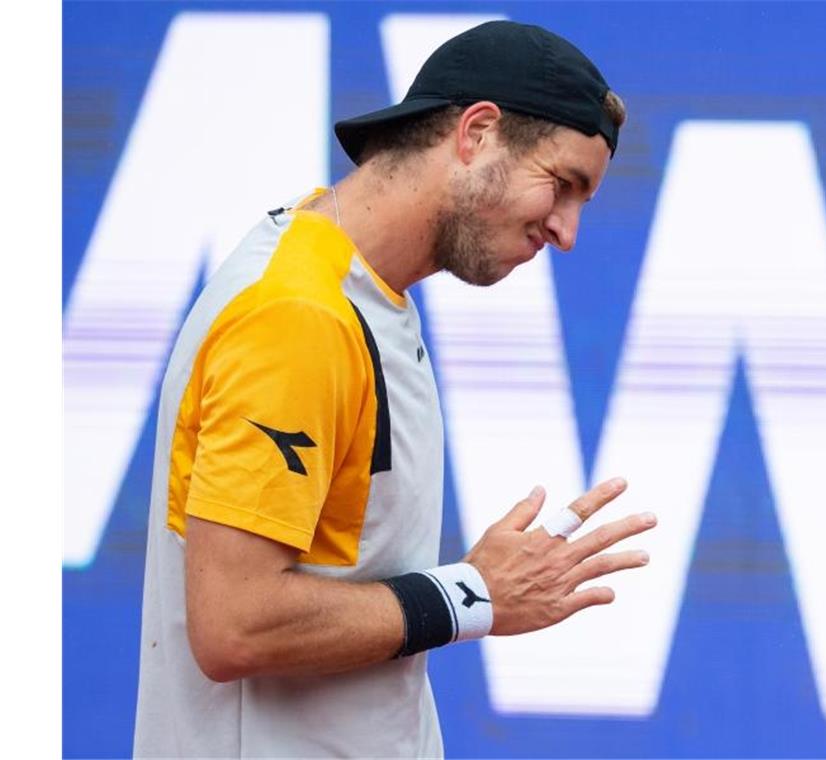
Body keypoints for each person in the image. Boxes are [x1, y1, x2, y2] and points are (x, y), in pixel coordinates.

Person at [132, 19, 655, 758]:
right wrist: (473, 595)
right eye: (562, 184)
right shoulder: (300, 314)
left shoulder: (361, 294)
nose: (567, 230)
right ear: (476, 133)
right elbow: (235, 622)